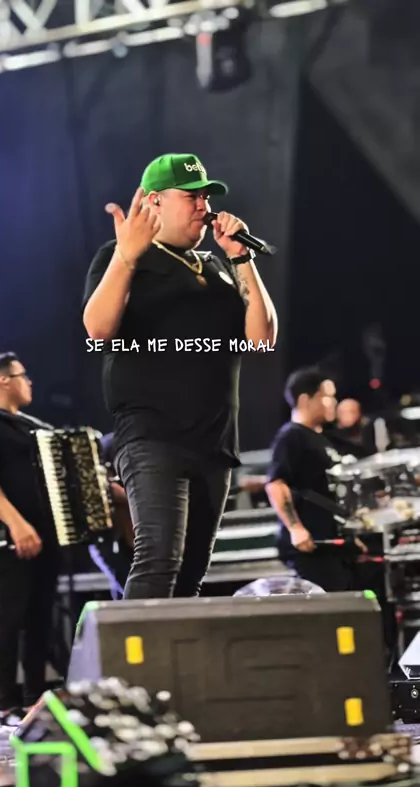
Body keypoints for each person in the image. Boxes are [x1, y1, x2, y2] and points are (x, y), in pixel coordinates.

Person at [83, 153, 277, 599]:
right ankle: (129, 649)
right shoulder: (121, 256)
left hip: (214, 440)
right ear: (154, 201)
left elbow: (262, 339)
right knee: (158, 559)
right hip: (154, 435)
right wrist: (127, 257)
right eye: (191, 197)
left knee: (190, 574)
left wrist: (241, 258)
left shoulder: (216, 266)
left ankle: (173, 649)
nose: (203, 206)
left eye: (206, 196)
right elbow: (97, 329)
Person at [0, 353, 61, 733]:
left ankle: (34, 701)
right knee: (11, 616)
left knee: (40, 619)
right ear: (4, 380)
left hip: (43, 535)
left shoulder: (32, 428)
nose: (29, 382)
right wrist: (17, 524)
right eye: (23, 375)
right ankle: (7, 707)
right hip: (6, 537)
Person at [265, 366, 358, 592]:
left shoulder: (321, 439)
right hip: (313, 548)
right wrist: (295, 528)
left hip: (333, 545)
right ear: (305, 400)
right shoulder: (291, 436)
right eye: (327, 396)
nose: (333, 402)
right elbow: (276, 483)